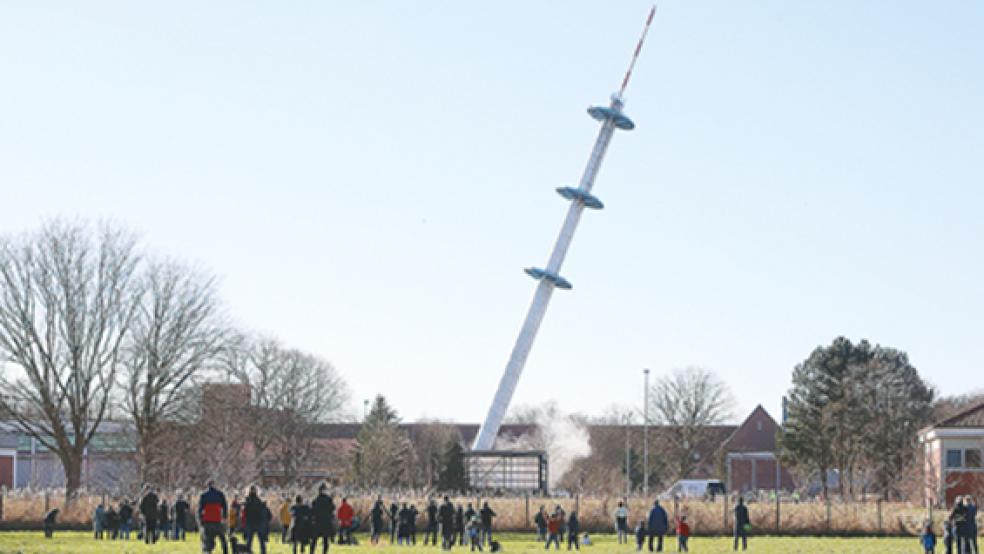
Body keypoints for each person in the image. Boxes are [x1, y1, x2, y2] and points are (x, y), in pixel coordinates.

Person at [199, 480, 230, 554]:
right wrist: (224, 517)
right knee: (222, 538)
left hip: (208, 520)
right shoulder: (220, 494)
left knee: (208, 538)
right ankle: (225, 551)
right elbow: (225, 506)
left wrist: (201, 520)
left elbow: (200, 509)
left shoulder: (204, 495)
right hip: (217, 520)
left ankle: (208, 551)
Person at [243, 486, 270, 554]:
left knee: (250, 541)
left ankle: (249, 552)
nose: (253, 491)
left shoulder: (248, 500)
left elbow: (245, 513)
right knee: (260, 541)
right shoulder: (258, 500)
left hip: (251, 523)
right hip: (256, 523)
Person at [312, 485, 337, 552]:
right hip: (326, 521)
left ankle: (312, 552)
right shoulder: (328, 499)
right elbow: (333, 508)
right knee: (325, 539)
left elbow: (312, 511)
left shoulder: (315, 500)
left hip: (317, 522)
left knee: (314, 539)